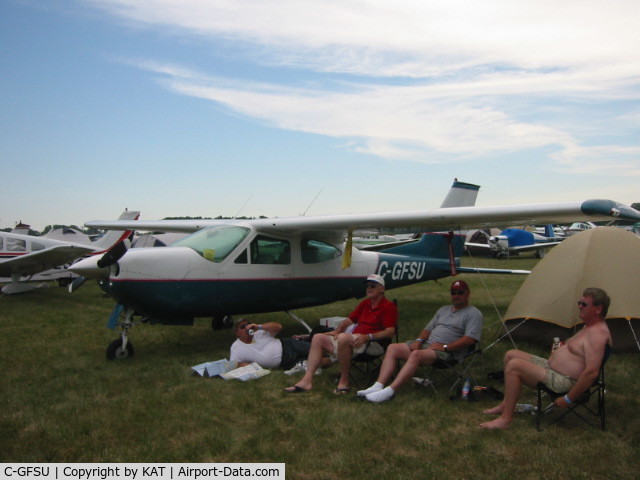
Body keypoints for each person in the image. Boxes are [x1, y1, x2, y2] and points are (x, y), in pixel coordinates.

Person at [480, 287, 612, 430]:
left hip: (564, 381)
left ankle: (506, 419)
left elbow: (591, 372)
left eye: (584, 304)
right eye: (579, 303)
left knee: (514, 366)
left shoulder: (597, 334)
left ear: (598, 309)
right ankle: (505, 404)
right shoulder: (589, 326)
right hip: (553, 369)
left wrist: (568, 398)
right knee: (511, 354)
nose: (579, 306)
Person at [359, 279, 483, 403]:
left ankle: (389, 391)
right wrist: (418, 341)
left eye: (460, 293)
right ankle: (378, 386)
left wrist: (445, 347)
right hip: (428, 346)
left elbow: (469, 340)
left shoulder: (473, 314)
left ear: (468, 294)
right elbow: (428, 329)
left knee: (416, 354)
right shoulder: (443, 310)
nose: (456, 296)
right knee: (392, 348)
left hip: (448, 353)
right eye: (453, 292)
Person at [284, 274, 398, 394]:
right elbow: (350, 320)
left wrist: (368, 336)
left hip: (372, 344)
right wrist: (338, 330)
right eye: (367, 286)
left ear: (382, 289)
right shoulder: (365, 304)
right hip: (353, 341)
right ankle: (307, 381)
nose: (369, 288)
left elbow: (390, 332)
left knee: (343, 338)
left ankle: (344, 381)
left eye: (373, 285)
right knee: (318, 337)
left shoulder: (388, 306)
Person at [230, 319, 330, 372]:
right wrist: (251, 367)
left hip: (288, 345)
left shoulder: (259, 332)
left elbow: (278, 327)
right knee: (325, 362)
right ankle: (330, 359)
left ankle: (335, 351)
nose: (247, 328)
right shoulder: (236, 347)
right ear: (237, 333)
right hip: (285, 362)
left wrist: (259, 326)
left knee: (321, 349)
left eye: (248, 324)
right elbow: (234, 364)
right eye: (243, 327)